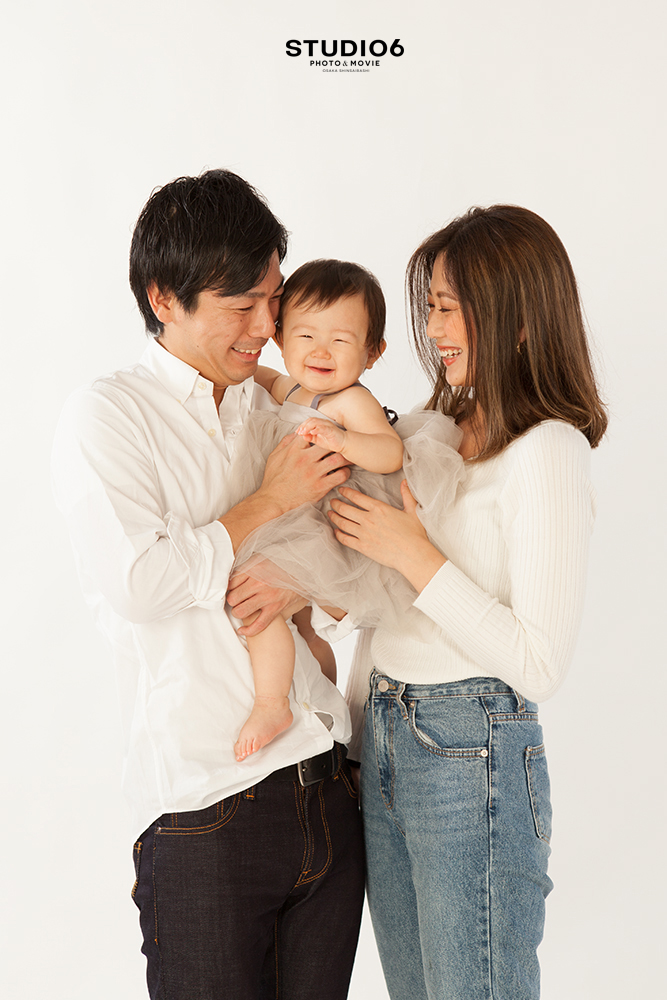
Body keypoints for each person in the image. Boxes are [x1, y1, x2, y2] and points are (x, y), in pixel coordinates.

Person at [51, 169, 365, 1000]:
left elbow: (357, 573)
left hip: (326, 787)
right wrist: (268, 503)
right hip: (207, 809)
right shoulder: (108, 414)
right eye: (241, 304)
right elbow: (142, 583)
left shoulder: (275, 408)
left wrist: (298, 582)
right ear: (164, 298)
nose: (268, 326)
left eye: (273, 298)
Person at [327, 206, 608, 1000]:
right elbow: (385, 597)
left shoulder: (547, 451)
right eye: (431, 306)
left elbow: (539, 663)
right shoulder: (434, 430)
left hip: (469, 749)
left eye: (449, 307)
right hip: (383, 734)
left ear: (514, 316)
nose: (431, 327)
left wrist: (412, 554)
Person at [231, 258, 463, 762]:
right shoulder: (293, 389)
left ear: (372, 352)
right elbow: (263, 377)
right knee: (302, 627)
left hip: (327, 524)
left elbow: (389, 452)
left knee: (258, 603)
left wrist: (342, 440)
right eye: (305, 336)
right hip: (296, 514)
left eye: (340, 340)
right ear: (279, 338)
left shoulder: (350, 400)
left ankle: (272, 704)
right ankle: (319, 701)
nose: (320, 351)